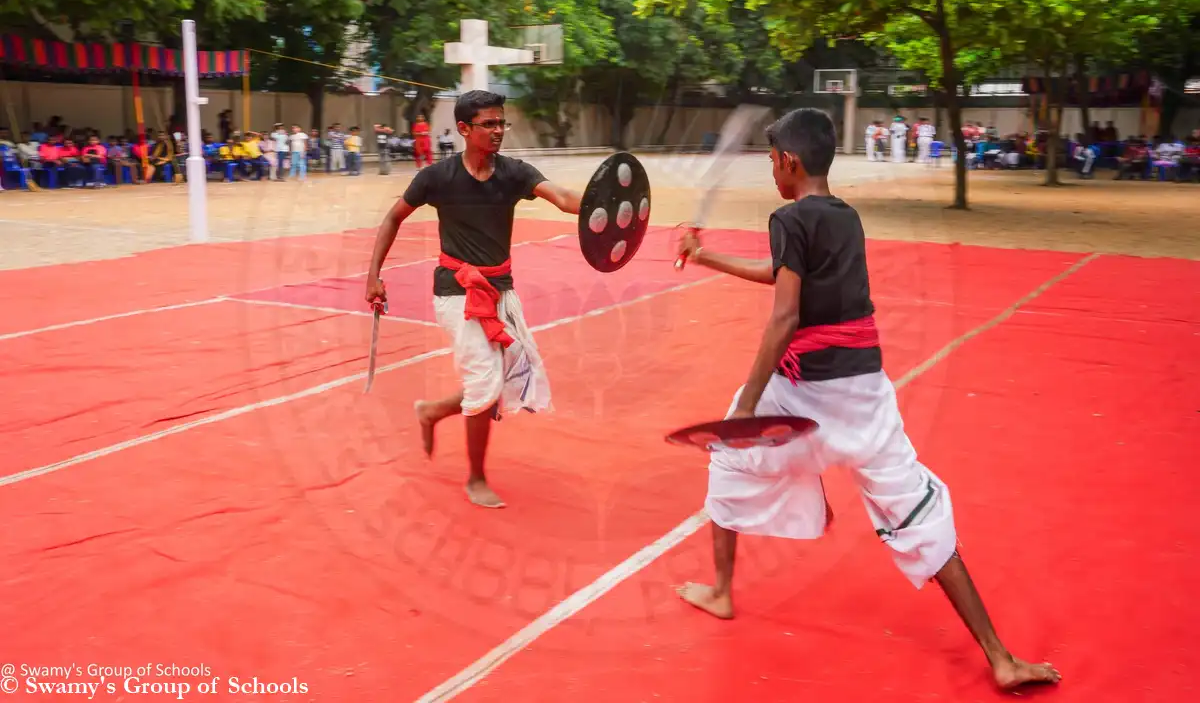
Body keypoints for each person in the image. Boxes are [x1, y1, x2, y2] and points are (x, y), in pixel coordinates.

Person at [672, 108, 1061, 692]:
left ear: (789, 162)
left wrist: (748, 405)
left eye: (771, 158)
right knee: (918, 512)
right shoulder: (845, 218)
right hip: (865, 395)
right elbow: (785, 277)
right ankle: (1000, 657)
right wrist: (706, 257)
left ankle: (723, 591)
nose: (770, 169)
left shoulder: (788, 218)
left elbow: (785, 314)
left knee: (729, 454)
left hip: (800, 392)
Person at [364, 90, 582, 508]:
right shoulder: (436, 177)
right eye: (489, 124)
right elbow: (393, 217)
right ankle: (476, 478)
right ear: (464, 129)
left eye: (502, 123)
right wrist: (374, 276)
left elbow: (562, 198)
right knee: (485, 381)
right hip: (454, 290)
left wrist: (602, 206)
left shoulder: (515, 173)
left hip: (501, 291)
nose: (499, 131)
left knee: (499, 382)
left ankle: (430, 411)